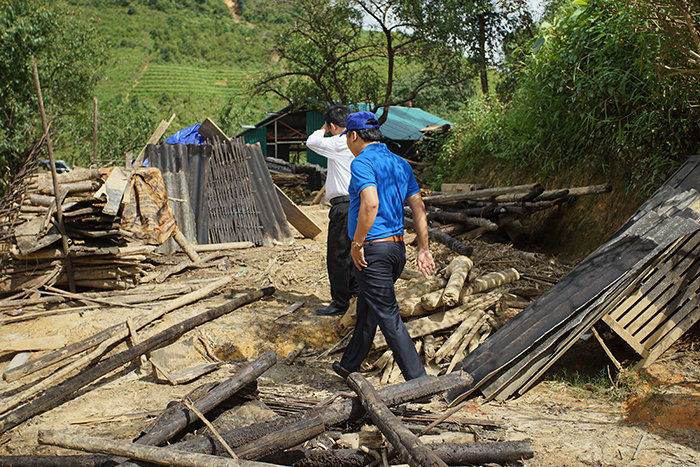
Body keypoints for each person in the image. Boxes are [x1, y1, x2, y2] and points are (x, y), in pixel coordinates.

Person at [333, 111, 436, 382]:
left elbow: (370, 203)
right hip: (396, 250)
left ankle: (418, 380)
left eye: (346, 137)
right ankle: (348, 366)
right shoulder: (400, 163)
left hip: (372, 252)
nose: (346, 143)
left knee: (388, 316)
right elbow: (418, 207)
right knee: (369, 308)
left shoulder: (362, 163)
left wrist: (356, 244)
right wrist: (423, 248)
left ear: (353, 135)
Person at [306, 105, 359, 316]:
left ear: (334, 125)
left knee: (338, 254)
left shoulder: (339, 142)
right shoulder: (357, 142)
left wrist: (323, 129)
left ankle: (340, 302)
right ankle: (355, 295)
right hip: (358, 203)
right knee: (355, 250)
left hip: (343, 206)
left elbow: (311, 142)